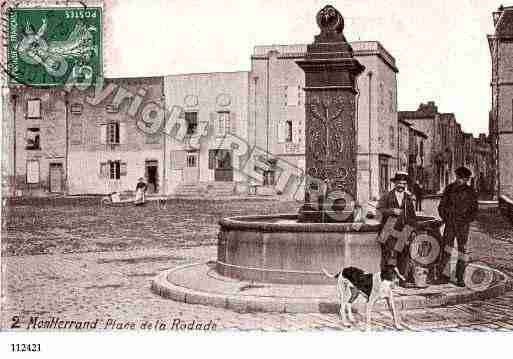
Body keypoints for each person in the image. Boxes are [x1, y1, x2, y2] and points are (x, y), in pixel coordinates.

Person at [437, 166, 478, 286]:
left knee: (462, 251)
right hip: (450, 224)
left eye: (464, 179)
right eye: (459, 178)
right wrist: (446, 218)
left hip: (463, 226)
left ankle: (460, 277)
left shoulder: (470, 192)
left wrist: (467, 220)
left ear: (466, 180)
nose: (460, 180)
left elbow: (474, 209)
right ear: (456, 177)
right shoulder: (449, 189)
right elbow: (441, 206)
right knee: (446, 249)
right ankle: (444, 276)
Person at [377, 172, 417, 284]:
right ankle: (386, 281)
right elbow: (379, 210)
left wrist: (412, 231)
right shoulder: (386, 196)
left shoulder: (408, 198)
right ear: (394, 184)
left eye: (404, 183)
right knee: (387, 255)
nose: (401, 186)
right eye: (399, 183)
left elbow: (412, 217)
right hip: (388, 228)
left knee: (403, 255)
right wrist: (391, 211)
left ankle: (402, 280)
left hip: (404, 230)